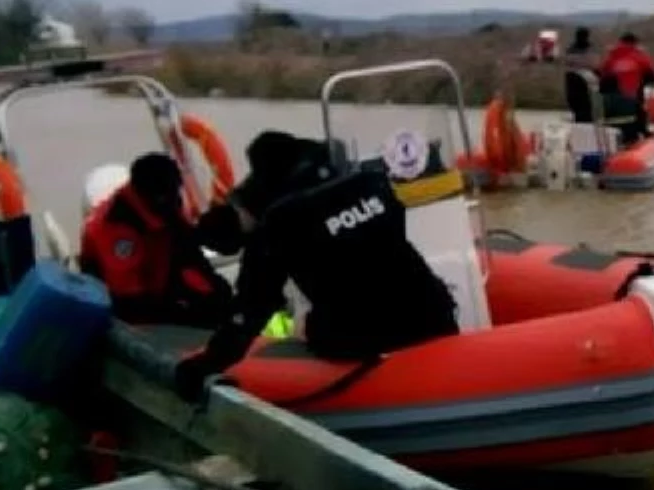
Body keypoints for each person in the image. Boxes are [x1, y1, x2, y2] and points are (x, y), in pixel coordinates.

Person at [174, 131, 460, 400]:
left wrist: (205, 365)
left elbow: (251, 311)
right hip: (436, 316)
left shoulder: (279, 225)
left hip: (363, 339)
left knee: (310, 323)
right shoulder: (371, 182)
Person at [79, 152, 232, 327]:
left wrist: (215, 289)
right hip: (123, 303)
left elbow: (188, 251)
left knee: (218, 298)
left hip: (159, 275)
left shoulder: (167, 201)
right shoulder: (114, 228)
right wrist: (181, 313)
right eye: (167, 197)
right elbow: (128, 300)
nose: (175, 201)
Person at [597, 32, 654, 142]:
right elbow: (651, 74)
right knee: (638, 111)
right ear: (635, 42)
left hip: (612, 97)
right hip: (633, 94)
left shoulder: (613, 55)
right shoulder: (639, 56)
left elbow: (602, 73)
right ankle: (640, 132)